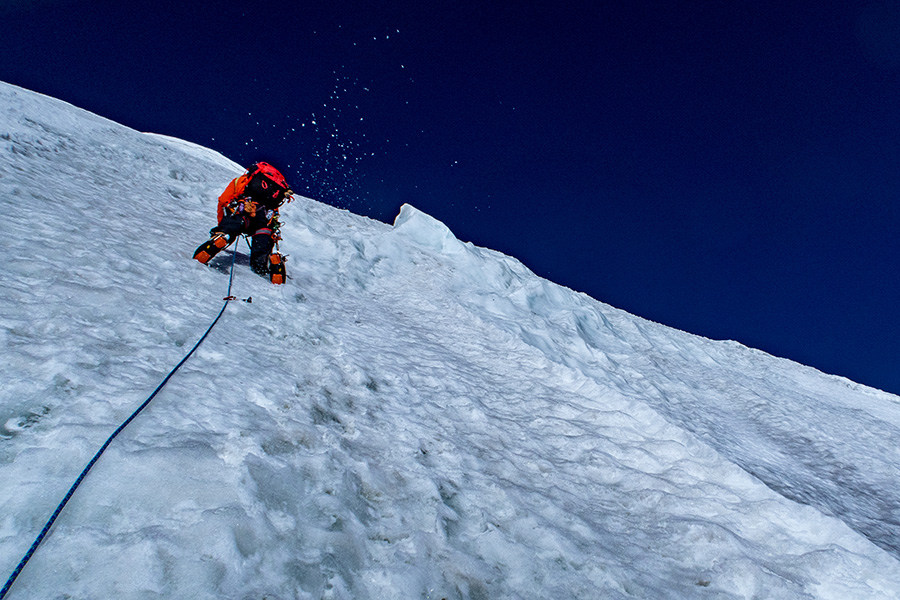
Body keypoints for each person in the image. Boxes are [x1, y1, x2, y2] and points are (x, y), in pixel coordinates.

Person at [193, 162, 292, 283]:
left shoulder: (242, 181)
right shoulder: (273, 195)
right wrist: (272, 237)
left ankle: (222, 237)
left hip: (243, 214)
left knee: (232, 227)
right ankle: (263, 264)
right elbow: (273, 218)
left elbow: (223, 200)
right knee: (262, 239)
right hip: (262, 221)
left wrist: (222, 225)